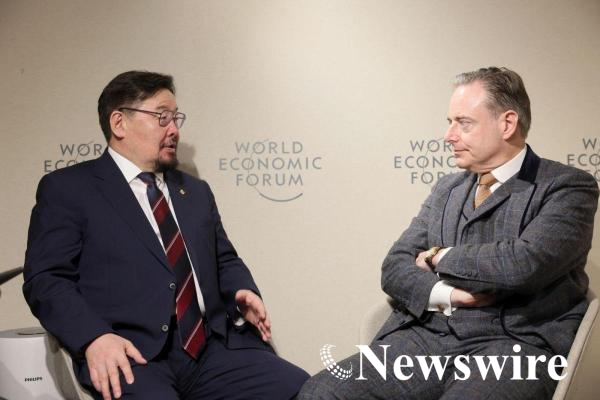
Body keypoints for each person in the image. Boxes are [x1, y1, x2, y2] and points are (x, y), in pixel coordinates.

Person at [299, 67, 599, 399]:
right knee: (320, 393)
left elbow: (523, 265)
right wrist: (448, 295)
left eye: (463, 123)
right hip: (427, 338)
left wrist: (438, 256)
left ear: (507, 124)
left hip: (513, 345)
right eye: (450, 122)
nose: (449, 136)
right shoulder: (447, 188)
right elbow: (395, 266)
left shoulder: (567, 186)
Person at [23, 70, 309, 400]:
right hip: (129, 353)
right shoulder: (69, 189)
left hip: (211, 349)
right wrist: (93, 338)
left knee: (307, 390)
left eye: (176, 118)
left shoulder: (196, 191)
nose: (174, 129)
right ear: (119, 123)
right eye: (162, 117)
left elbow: (224, 259)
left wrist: (241, 289)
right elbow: (46, 279)